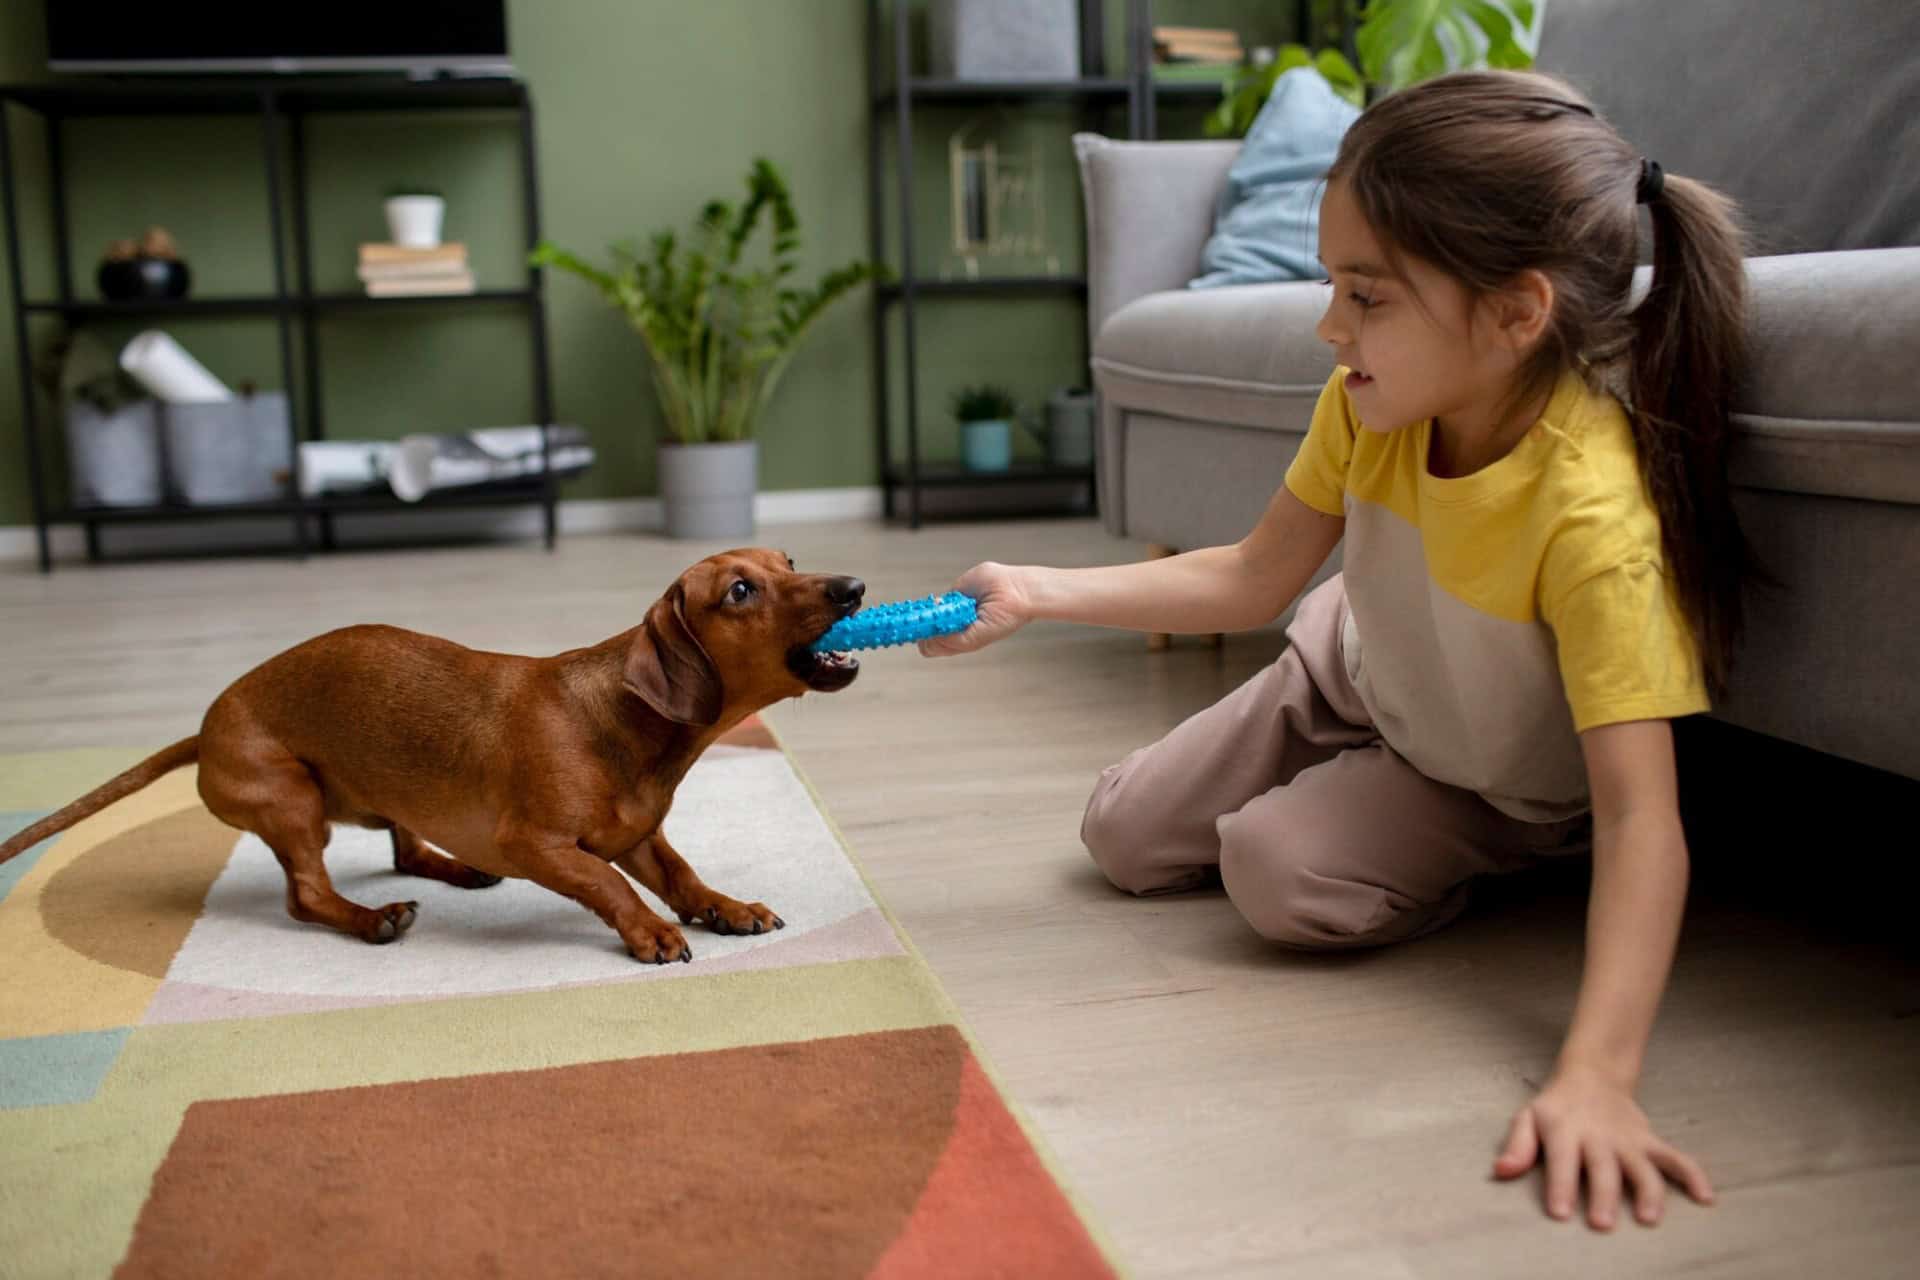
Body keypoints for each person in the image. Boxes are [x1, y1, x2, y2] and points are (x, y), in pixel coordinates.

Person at [920, 70, 1751, 1232]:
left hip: (1490, 779)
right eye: (1333, 285)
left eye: (1366, 294)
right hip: (1351, 669)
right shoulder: (1368, 402)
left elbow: (1641, 817)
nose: (1330, 325)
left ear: (1518, 313)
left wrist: (1599, 1074)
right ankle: (1335, 762)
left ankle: (1445, 847)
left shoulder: (1589, 515)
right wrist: (1035, 590)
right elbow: (1255, 575)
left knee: (1276, 871)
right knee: (1119, 830)